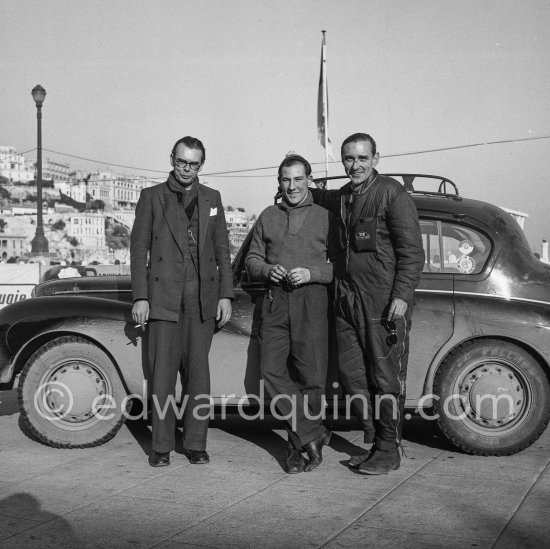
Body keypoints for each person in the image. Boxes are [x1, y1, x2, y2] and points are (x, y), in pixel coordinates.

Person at [311, 133, 424, 475]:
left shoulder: (392, 194)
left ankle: (389, 449)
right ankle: (375, 441)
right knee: (353, 375)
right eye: (349, 159)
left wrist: (401, 296)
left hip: (382, 303)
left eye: (362, 158)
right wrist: (300, 187)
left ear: (376, 158)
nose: (355, 165)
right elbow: (323, 196)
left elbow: (412, 253)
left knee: (385, 378)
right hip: (347, 300)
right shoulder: (345, 196)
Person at [131, 136, 233, 467]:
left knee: (198, 377)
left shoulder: (212, 198)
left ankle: (195, 444)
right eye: (181, 162)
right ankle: (160, 446)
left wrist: (226, 296)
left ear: (201, 165)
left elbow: (222, 252)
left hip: (201, 299)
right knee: (163, 376)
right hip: (162, 298)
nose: (187, 169)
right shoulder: (151, 197)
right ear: (171, 160)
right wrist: (141, 297)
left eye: (194, 164)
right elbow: (138, 250)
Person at [245, 154, 333, 473]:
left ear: (309, 180)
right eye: (286, 179)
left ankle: (296, 449)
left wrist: (313, 274)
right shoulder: (268, 215)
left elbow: (340, 266)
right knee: (271, 369)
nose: (292, 186)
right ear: (279, 182)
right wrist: (268, 270)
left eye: (298, 179)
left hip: (312, 302)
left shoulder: (326, 217)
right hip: (275, 301)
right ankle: (313, 433)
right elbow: (252, 259)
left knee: (311, 379)